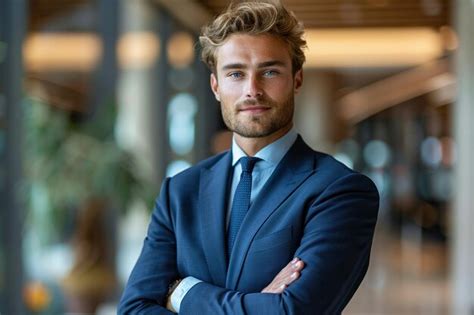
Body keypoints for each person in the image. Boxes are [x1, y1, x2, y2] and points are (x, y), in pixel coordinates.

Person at [118, 1, 379, 314]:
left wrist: (183, 293)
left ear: (297, 80)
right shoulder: (180, 192)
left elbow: (290, 311)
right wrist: (259, 304)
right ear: (215, 86)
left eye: (269, 71)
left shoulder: (340, 191)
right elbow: (134, 308)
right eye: (236, 74)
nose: (252, 89)